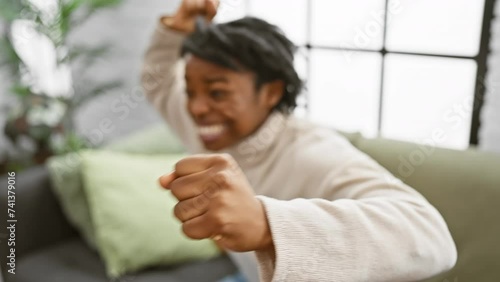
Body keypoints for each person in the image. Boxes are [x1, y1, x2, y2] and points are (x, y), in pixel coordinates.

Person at [142, 0, 457, 281]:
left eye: (217, 92)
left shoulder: (314, 153)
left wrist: (267, 225)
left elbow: (432, 238)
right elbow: (159, 83)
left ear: (271, 92)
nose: (196, 107)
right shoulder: (208, 128)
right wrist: (174, 32)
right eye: (191, 90)